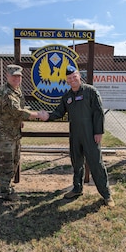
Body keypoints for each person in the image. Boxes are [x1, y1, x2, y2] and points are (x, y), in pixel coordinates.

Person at [43, 65, 115, 207]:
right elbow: (58, 113)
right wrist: (46, 116)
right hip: (75, 135)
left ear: (79, 76)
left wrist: (98, 132)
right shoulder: (67, 97)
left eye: (74, 76)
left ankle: (106, 194)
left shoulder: (90, 92)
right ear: (67, 81)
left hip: (90, 135)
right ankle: (77, 188)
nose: (72, 79)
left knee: (96, 164)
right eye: (69, 78)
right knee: (76, 163)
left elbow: (98, 112)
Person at [0, 64, 46, 201]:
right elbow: (17, 111)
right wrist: (38, 114)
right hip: (4, 134)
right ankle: (5, 192)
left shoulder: (16, 89)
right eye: (13, 76)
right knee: (6, 162)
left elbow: (17, 111)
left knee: (15, 160)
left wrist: (18, 121)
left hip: (13, 131)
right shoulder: (6, 93)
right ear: (7, 76)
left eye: (18, 76)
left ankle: (7, 185)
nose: (16, 78)